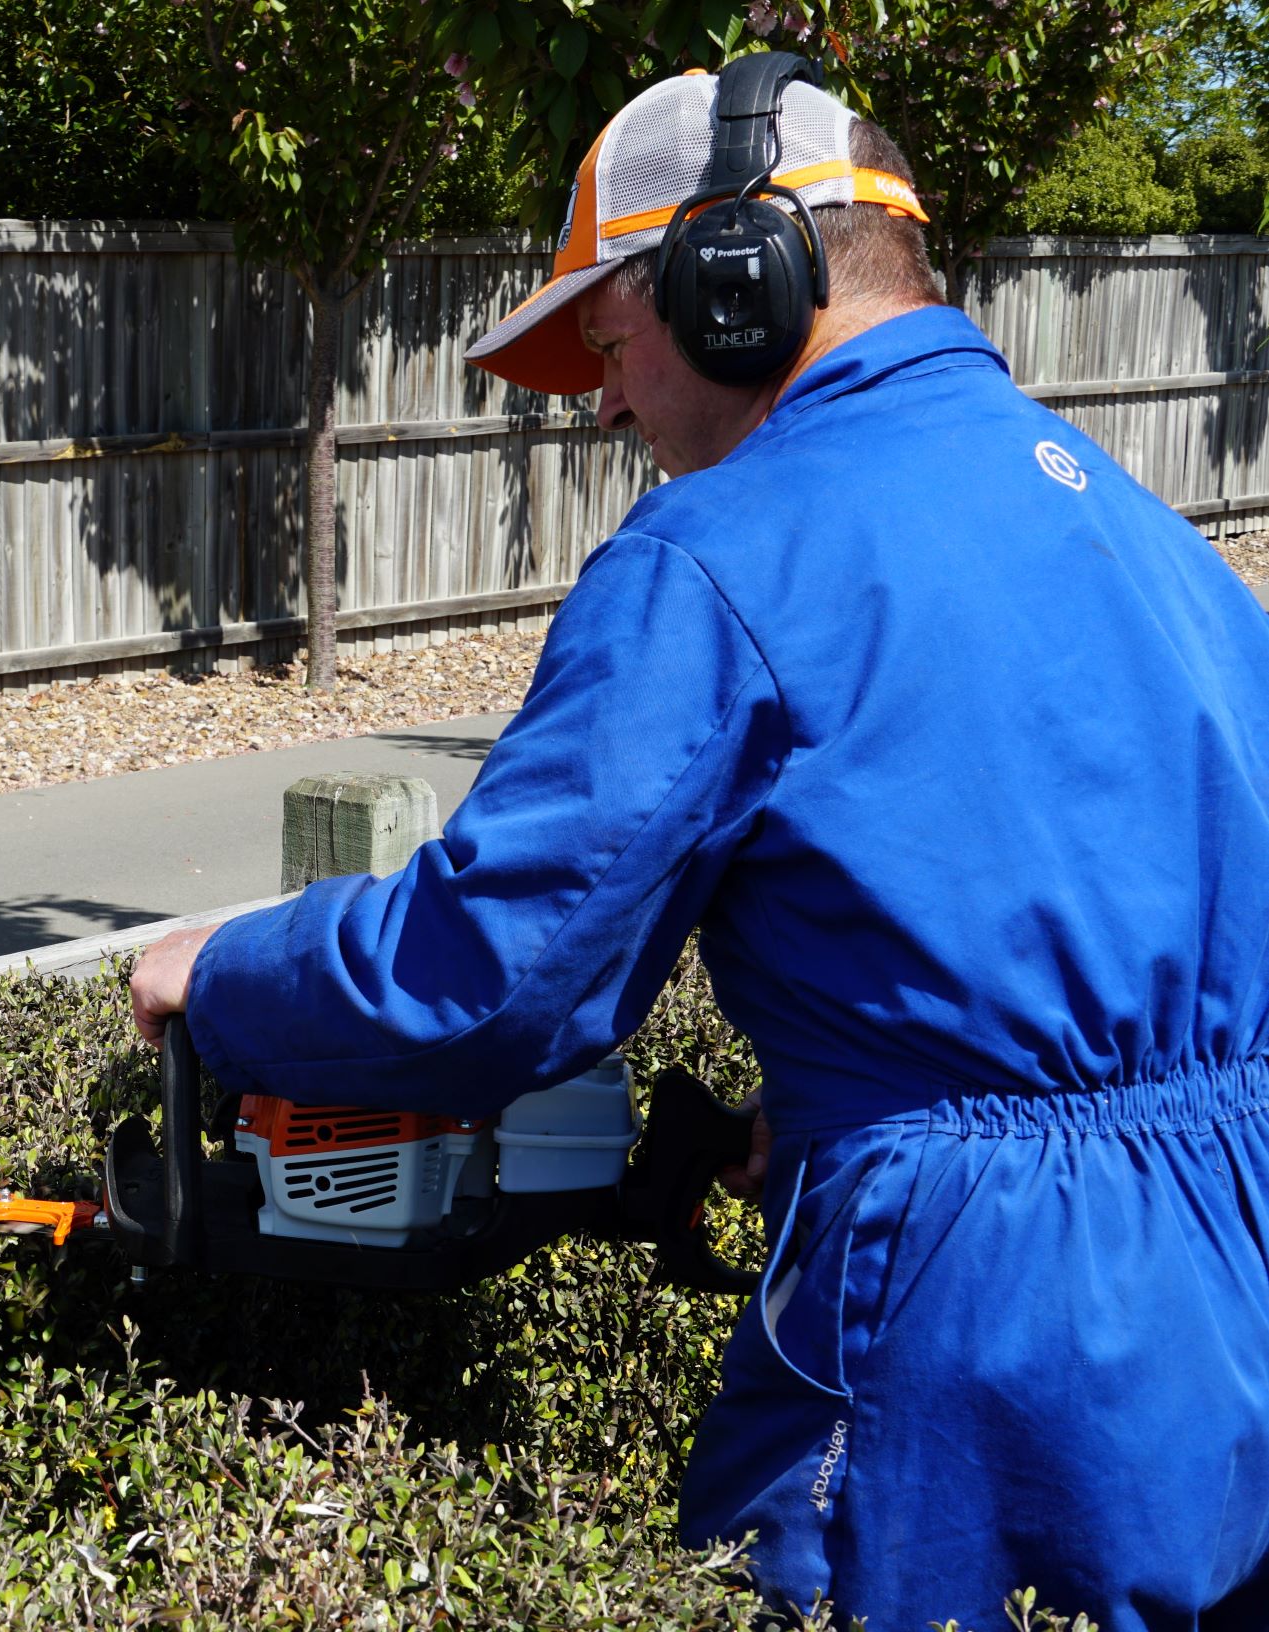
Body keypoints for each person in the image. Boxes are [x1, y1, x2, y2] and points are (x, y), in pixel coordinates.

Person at [128, 55, 1269, 1631]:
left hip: (969, 1315)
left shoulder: (722, 552)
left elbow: (497, 977)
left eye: (609, 337)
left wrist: (226, 975)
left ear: (740, 281)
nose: (600, 398)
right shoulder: (1145, 534)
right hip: (1236, 1256)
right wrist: (833, 1110)